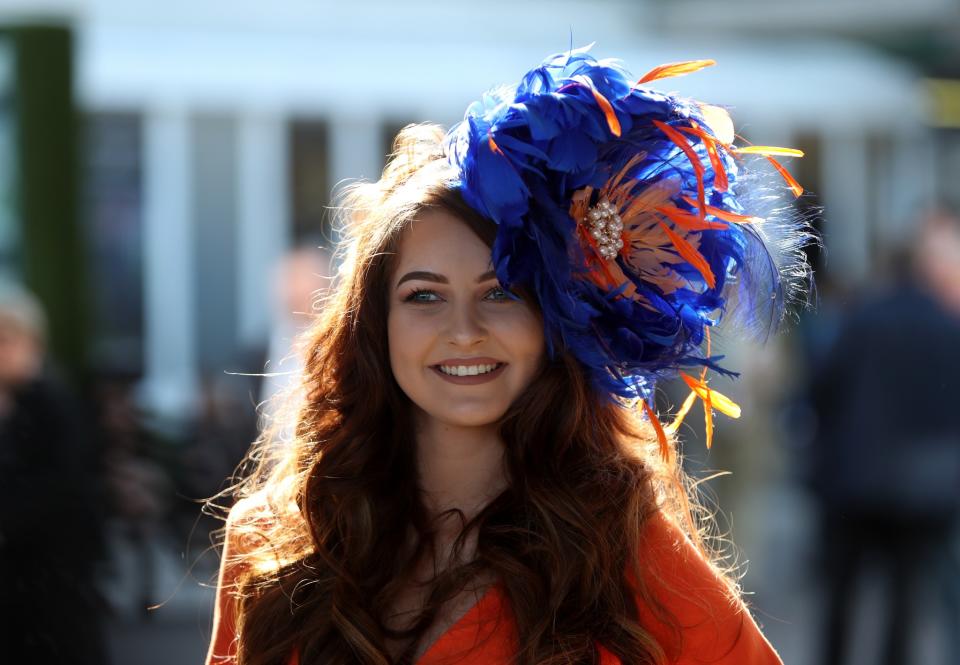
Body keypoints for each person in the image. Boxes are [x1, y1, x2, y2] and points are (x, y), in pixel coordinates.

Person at [206, 49, 811, 665]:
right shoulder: (271, 545)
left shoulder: (629, 551)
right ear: (373, 325)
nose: (464, 331)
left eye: (500, 292)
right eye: (424, 296)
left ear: (551, 319)